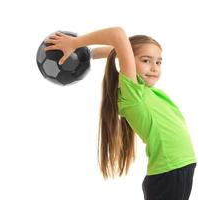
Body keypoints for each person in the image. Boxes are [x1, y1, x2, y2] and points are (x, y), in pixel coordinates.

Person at [44, 27, 197, 200]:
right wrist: (74, 43)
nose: (154, 68)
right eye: (146, 60)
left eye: (159, 62)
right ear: (132, 63)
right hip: (169, 172)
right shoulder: (133, 95)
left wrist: (89, 54)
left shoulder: (146, 91)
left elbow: (118, 52)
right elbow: (117, 34)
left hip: (181, 167)